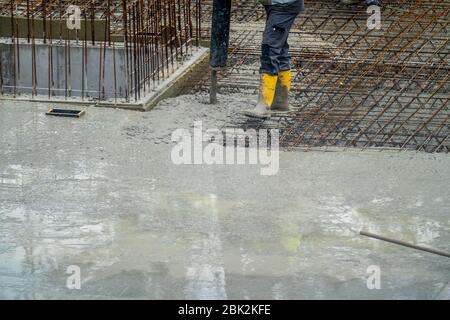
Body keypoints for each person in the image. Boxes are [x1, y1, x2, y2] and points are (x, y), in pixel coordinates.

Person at [244, 0, 304, 119]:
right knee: (280, 49)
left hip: (283, 5)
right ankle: (280, 102)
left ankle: (264, 105)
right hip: (281, 4)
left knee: (270, 48)